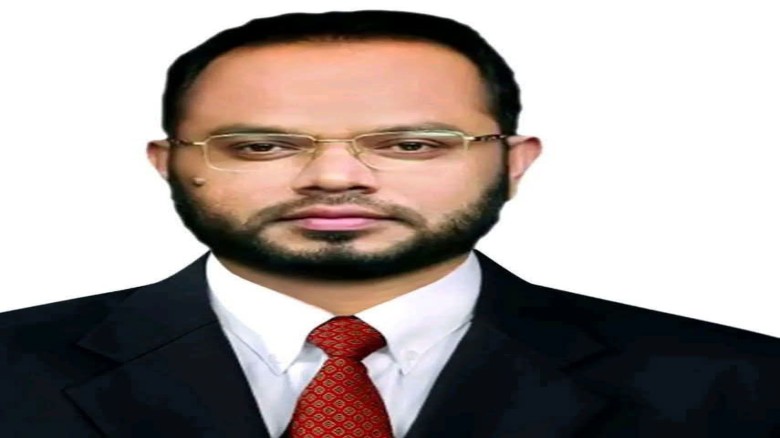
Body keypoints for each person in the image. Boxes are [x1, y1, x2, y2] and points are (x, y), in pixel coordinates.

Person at [1, 9, 778, 437]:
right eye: (263, 145)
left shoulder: (739, 387)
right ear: (169, 163)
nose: (336, 177)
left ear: (513, 163)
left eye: (411, 145)